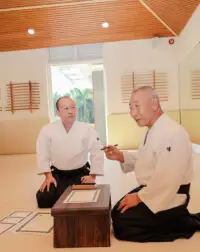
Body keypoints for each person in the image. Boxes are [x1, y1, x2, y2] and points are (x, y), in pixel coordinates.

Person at [104, 86, 200, 242]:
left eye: (136, 106)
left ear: (154, 104)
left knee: (122, 224)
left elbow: (168, 178)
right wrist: (121, 156)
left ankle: (182, 222)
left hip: (171, 193)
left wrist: (140, 197)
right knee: (117, 211)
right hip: (154, 189)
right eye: (130, 108)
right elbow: (147, 160)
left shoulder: (172, 132)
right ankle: (174, 219)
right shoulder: (154, 129)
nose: (132, 113)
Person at [36, 96, 104, 208]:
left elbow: (97, 151)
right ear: (58, 112)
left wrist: (92, 176)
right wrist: (48, 176)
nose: (71, 111)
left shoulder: (87, 129)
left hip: (80, 173)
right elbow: (42, 153)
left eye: (73, 107)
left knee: (86, 200)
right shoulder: (47, 130)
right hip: (58, 173)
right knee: (44, 199)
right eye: (66, 108)